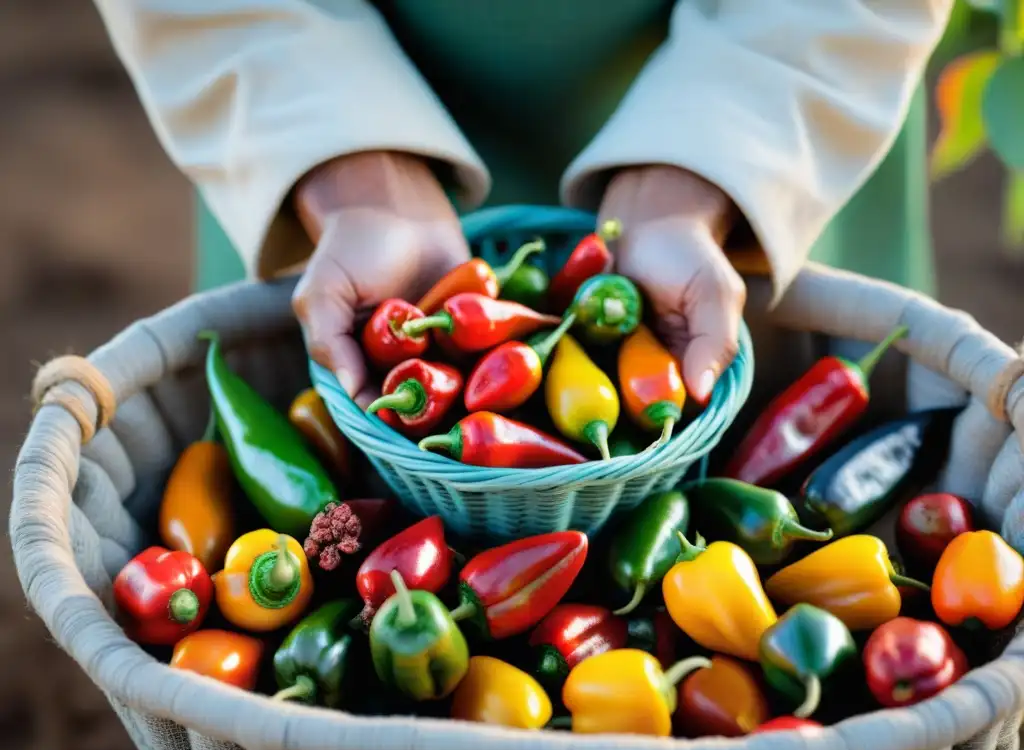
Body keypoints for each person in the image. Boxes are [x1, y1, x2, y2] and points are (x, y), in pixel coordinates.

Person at [93, 0, 951, 407]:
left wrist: (702, 177)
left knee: (806, 448)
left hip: (759, 86)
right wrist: (353, 173)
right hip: (320, 82)